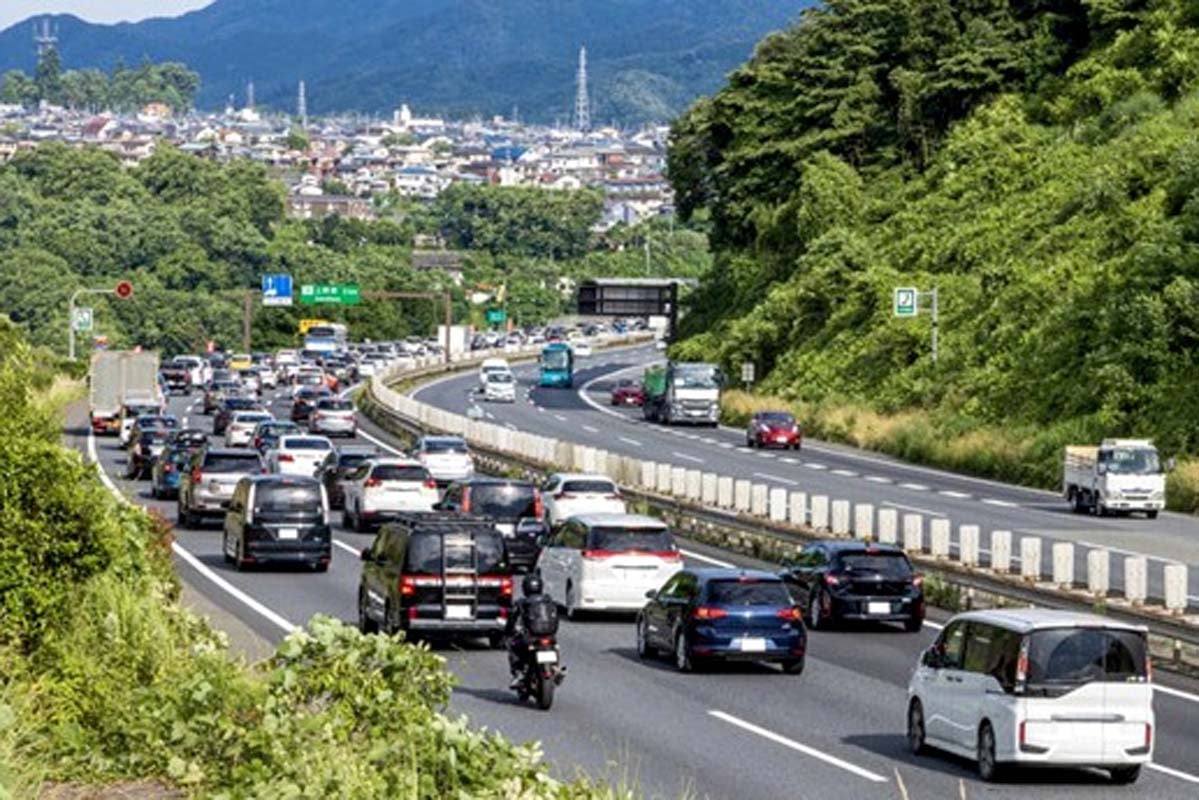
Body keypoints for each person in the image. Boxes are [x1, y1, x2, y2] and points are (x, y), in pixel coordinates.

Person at [507, 573, 556, 688]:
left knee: (513, 645)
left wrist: (508, 632)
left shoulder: (522, 603)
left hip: (531, 638)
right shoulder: (548, 600)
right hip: (550, 636)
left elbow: (512, 619)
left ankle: (519, 674)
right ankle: (555, 668)